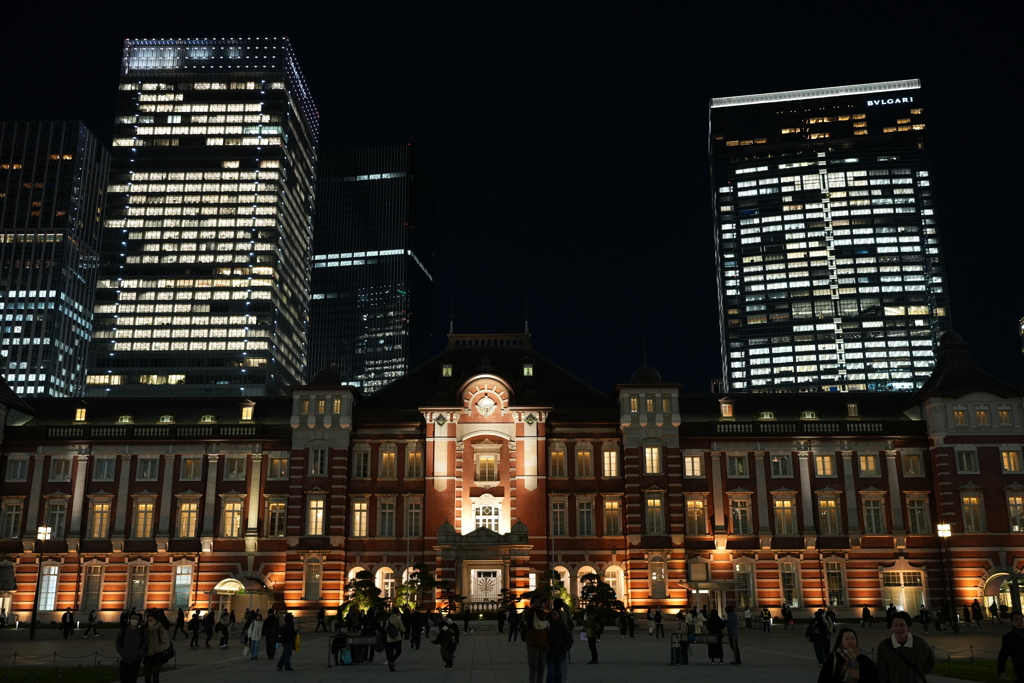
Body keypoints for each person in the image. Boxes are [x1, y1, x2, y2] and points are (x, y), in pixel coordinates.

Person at [877, 610, 935, 683]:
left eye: (902, 625)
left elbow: (930, 663)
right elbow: (882, 671)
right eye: (895, 625)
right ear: (891, 627)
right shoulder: (884, 646)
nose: (899, 628)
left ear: (908, 628)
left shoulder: (920, 644)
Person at [522, 596, 549, 683]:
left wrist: (547, 644)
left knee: (541, 668)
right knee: (533, 667)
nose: (541, 603)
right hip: (533, 645)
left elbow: (547, 631)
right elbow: (526, 617)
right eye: (538, 601)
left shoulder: (544, 614)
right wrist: (533, 607)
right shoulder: (532, 613)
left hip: (543, 646)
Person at [116, 612, 147, 683]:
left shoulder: (142, 633)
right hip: (124, 660)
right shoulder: (124, 631)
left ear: (139, 621)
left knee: (132, 680)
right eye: (133, 618)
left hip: (135, 661)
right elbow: (118, 643)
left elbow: (144, 644)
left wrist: (139, 654)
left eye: (136, 619)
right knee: (124, 680)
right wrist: (123, 653)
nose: (134, 620)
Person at [546, 605, 573, 682]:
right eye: (553, 613)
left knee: (559, 672)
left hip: (560, 653)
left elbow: (569, 639)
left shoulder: (563, 626)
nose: (554, 615)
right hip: (550, 653)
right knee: (550, 672)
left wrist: (564, 648)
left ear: (559, 615)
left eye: (556, 613)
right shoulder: (547, 626)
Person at [142, 613, 171, 683]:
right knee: (147, 677)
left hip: (158, 655)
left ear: (156, 620)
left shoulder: (161, 629)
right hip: (148, 655)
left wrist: (156, 649)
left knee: (155, 676)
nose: (150, 622)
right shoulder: (146, 630)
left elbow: (166, 643)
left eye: (151, 620)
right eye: (148, 620)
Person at [998, 611, 1024, 682]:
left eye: (1021, 619)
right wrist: (1001, 671)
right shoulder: (1008, 638)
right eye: (1016, 620)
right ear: (1011, 622)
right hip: (1021, 669)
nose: (1020, 622)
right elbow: (1003, 655)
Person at [380, 606, 406, 672]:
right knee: (398, 651)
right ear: (397, 612)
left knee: (390, 652)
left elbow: (386, 628)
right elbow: (402, 628)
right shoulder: (397, 619)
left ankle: (390, 662)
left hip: (389, 638)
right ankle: (391, 661)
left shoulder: (389, 619)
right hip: (397, 638)